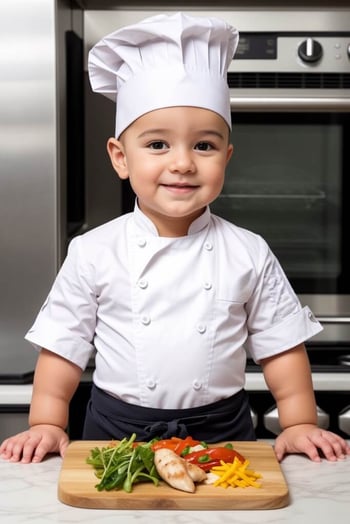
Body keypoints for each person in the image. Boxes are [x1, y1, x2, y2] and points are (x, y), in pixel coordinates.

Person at [1, 12, 349, 465]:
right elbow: (63, 346)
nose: (183, 163)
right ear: (120, 158)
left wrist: (299, 422)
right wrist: (47, 423)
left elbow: (282, 345)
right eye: (158, 145)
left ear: (226, 157)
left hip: (223, 433)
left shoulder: (248, 251)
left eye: (203, 146)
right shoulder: (93, 252)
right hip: (114, 434)